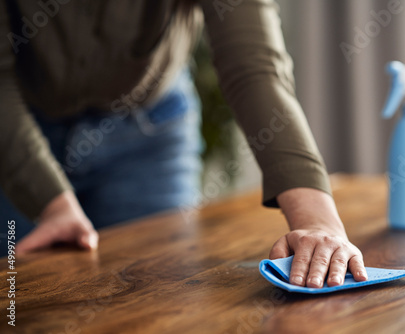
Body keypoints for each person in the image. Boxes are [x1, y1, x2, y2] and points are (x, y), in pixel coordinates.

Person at [0, 0, 367, 288]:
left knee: (160, 293)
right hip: (16, 133)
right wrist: (49, 202)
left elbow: (253, 63)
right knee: (20, 308)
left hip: (149, 130)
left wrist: (318, 221)